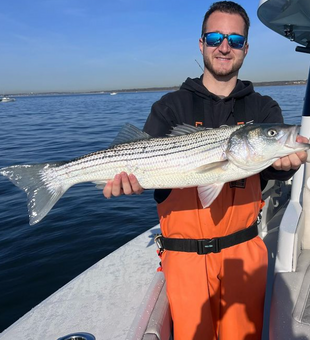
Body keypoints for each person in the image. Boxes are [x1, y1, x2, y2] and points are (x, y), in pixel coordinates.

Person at [104, 1, 309, 339]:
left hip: (244, 255)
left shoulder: (263, 108)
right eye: (214, 37)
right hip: (184, 258)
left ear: (245, 48)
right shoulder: (170, 107)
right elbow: (149, 173)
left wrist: (283, 167)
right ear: (201, 44)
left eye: (235, 40)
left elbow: (266, 170)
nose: (224, 47)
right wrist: (126, 184)